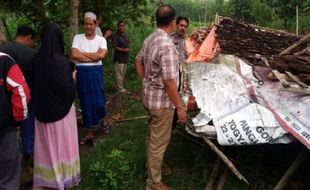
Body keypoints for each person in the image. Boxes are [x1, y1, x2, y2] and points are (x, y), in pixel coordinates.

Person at [135, 4, 187, 190]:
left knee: (152, 137)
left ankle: (153, 169)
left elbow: (138, 60)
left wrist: (146, 82)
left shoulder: (150, 38)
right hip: (162, 103)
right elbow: (170, 82)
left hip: (149, 99)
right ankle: (154, 183)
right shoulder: (168, 45)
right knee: (158, 143)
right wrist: (180, 108)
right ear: (173, 23)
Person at [32, 23, 80, 189]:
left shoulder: (36, 59)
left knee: (46, 149)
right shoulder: (62, 62)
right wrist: (73, 79)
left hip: (41, 113)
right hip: (61, 114)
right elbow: (67, 89)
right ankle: (63, 178)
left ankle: (45, 180)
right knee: (62, 146)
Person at [2, 25, 36, 173]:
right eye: (32, 41)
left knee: (6, 136)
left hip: (4, 104)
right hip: (26, 102)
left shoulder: (3, 52)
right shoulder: (32, 54)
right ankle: (26, 164)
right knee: (28, 133)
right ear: (28, 38)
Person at [71, 11, 108, 144]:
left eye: (90, 24)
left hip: (96, 73)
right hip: (82, 74)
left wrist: (84, 54)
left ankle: (102, 120)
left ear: (95, 24)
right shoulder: (78, 38)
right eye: (86, 24)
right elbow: (75, 55)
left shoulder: (101, 39)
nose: (88, 27)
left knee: (99, 100)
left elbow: (102, 56)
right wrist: (94, 55)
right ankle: (89, 133)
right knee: (85, 102)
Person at [0, 52, 30, 190]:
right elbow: (21, 90)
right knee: (8, 173)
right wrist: (18, 119)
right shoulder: (4, 61)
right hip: (4, 128)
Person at [170, 16, 189, 129]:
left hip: (180, 73)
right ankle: (170, 124)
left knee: (178, 96)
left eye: (185, 26)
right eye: (181, 25)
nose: (183, 28)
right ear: (176, 25)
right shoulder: (169, 39)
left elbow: (183, 55)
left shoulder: (183, 40)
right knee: (172, 98)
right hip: (171, 74)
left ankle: (175, 121)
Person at [112, 20, 129, 94]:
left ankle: (120, 88)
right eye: (121, 26)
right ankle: (120, 90)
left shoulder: (125, 35)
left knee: (122, 74)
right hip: (119, 59)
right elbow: (115, 47)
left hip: (125, 58)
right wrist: (124, 50)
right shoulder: (116, 36)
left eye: (123, 26)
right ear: (118, 27)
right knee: (119, 75)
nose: (122, 27)